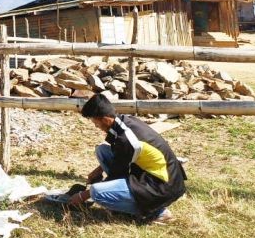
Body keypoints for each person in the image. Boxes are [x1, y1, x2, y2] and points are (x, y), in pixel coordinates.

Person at [67, 93, 186, 222]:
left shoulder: (127, 140)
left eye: (96, 123)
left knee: (96, 192)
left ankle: (157, 212)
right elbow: (120, 158)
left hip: (162, 186)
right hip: (151, 173)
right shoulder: (124, 122)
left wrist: (83, 195)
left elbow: (117, 172)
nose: (97, 127)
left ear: (106, 119)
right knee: (102, 150)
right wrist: (97, 171)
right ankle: (127, 198)